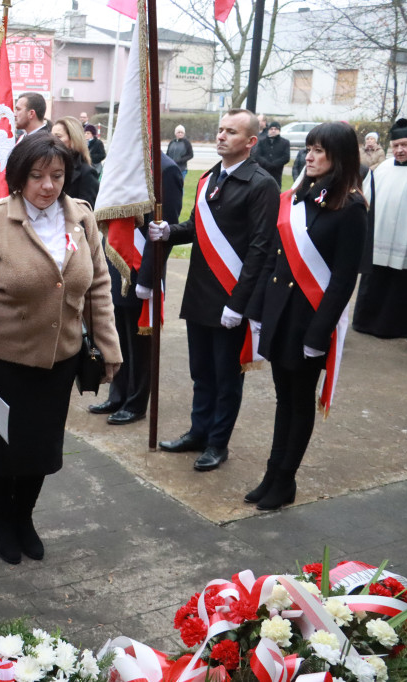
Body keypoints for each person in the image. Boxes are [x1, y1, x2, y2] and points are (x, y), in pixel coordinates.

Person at [0, 132, 122, 564]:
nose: (47, 186)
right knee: (2, 451)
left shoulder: (81, 217)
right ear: (18, 177)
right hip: (5, 364)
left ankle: (24, 517)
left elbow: (99, 287)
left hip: (60, 360)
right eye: (36, 176)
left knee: (42, 449)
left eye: (56, 175)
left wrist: (109, 346)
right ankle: (1, 520)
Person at [243, 122, 368, 510]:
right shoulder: (299, 198)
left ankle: (285, 479)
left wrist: (318, 334)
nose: (309, 156)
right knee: (284, 398)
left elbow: (344, 281)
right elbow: (273, 261)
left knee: (300, 401)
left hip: (309, 321)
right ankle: (271, 473)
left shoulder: (351, 208)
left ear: (340, 157)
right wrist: (259, 311)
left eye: (319, 150)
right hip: (281, 315)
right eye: (309, 149)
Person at [147, 109, 278, 472]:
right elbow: (197, 227)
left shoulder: (262, 184)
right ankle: (198, 432)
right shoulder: (208, 178)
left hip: (230, 300)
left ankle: (218, 443)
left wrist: (239, 304)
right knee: (200, 371)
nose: (221, 137)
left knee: (226, 377)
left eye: (231, 132)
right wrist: (170, 232)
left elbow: (261, 248)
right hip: (201, 294)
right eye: (220, 130)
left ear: (251, 142)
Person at [92, 153, 184, 425]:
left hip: (143, 268)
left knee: (140, 342)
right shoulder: (123, 161)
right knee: (118, 335)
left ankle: (136, 402)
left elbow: (165, 230)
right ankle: (117, 394)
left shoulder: (165, 170)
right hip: (118, 262)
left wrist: (148, 279)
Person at [352, 117, 407, 339]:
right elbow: (364, 198)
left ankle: (393, 327)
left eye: (404, 145)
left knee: (399, 285)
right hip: (378, 238)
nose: (400, 150)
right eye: (395, 146)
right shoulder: (382, 167)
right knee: (374, 280)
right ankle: (365, 322)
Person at [51, 115, 99, 207]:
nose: (52, 140)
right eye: (51, 136)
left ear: (73, 139)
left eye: (58, 136)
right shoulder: (48, 167)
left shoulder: (87, 173)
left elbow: (86, 212)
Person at [253, 121, 291, 187]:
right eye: (271, 129)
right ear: (268, 130)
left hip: (277, 172)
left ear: (279, 130)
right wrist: (266, 163)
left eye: (276, 129)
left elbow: (286, 157)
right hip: (263, 170)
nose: (273, 131)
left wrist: (274, 164)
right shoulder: (262, 142)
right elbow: (257, 155)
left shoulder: (285, 142)